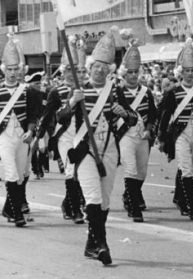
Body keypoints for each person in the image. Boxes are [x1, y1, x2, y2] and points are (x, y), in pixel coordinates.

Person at [61, 28, 136, 265]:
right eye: (96, 66)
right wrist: (73, 102)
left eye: (105, 67)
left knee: (104, 201)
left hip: (109, 149)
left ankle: (91, 245)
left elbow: (133, 118)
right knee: (92, 198)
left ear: (110, 70)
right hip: (85, 150)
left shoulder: (115, 91)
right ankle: (102, 245)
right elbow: (60, 118)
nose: (100, 70)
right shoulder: (79, 91)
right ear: (90, 68)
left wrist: (123, 112)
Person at [0, 35, 41, 227]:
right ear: (4, 70)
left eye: (16, 69)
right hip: (4, 137)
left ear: (20, 70)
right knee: (12, 174)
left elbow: (33, 115)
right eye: (10, 69)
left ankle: (8, 207)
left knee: (21, 175)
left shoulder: (27, 90)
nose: (13, 73)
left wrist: (31, 130)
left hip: (22, 137)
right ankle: (17, 213)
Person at [158, 39, 193, 221]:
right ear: (181, 72)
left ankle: (181, 198)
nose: (190, 74)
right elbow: (165, 116)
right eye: (186, 71)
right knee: (186, 169)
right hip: (180, 134)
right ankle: (191, 206)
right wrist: (162, 137)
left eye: (192, 71)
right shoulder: (173, 93)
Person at [36, 36, 86, 224]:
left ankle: (68, 203)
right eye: (75, 71)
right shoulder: (56, 92)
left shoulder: (89, 90)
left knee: (81, 173)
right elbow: (49, 116)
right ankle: (75, 211)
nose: (79, 76)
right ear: (65, 72)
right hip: (65, 137)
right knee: (71, 172)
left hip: (83, 137)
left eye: (82, 72)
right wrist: (40, 137)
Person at [118, 32, 158, 222]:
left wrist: (150, 129)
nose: (133, 76)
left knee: (142, 172)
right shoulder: (116, 92)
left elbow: (153, 114)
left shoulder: (146, 92)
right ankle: (134, 208)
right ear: (124, 74)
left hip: (143, 135)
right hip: (125, 134)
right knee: (131, 170)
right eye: (130, 73)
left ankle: (129, 195)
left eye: (136, 72)